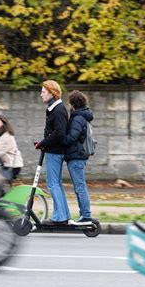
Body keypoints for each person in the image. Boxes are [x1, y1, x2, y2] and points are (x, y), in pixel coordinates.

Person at [34, 80, 70, 225]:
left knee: (53, 184)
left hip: (55, 151)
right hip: (53, 150)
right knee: (56, 184)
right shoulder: (54, 108)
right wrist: (43, 143)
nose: (41, 94)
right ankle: (63, 215)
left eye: (43, 92)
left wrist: (44, 143)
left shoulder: (58, 109)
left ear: (52, 92)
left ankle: (59, 217)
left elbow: (59, 133)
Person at [64, 90, 93, 224]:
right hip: (78, 156)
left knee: (80, 187)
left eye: (69, 102)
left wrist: (62, 140)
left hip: (76, 156)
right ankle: (85, 214)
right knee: (80, 186)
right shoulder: (82, 116)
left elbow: (72, 137)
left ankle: (86, 215)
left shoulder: (77, 118)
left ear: (73, 104)